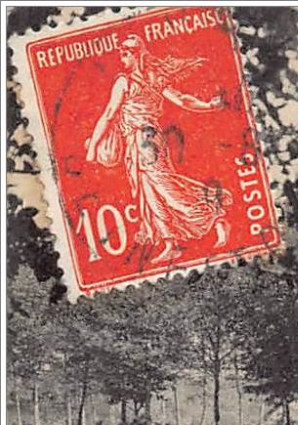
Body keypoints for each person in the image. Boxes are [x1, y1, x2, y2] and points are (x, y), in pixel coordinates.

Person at [82, 36, 231, 263]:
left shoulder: (131, 81)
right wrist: (208, 106)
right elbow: (181, 100)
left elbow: (110, 113)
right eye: (121, 52)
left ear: (138, 54)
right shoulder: (144, 79)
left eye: (126, 52)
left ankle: (215, 216)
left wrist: (92, 148)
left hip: (145, 139)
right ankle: (171, 243)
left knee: (166, 188)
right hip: (139, 141)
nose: (122, 56)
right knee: (150, 193)